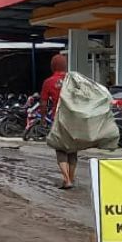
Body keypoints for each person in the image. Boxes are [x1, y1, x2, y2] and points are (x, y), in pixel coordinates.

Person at [41, 54, 76, 189]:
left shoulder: (49, 82)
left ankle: (67, 180)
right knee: (73, 150)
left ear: (53, 66)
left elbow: (43, 103)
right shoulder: (72, 80)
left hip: (59, 118)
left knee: (61, 149)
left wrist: (43, 118)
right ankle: (71, 178)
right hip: (74, 118)